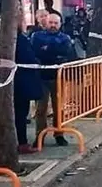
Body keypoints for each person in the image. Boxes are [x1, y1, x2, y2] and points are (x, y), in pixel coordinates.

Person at [31, 13, 76, 146]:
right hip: (41, 76)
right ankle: (40, 136)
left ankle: (59, 134)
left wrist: (48, 50)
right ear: (45, 22)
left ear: (60, 24)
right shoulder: (37, 36)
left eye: (56, 23)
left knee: (59, 108)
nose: (53, 26)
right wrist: (53, 51)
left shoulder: (65, 38)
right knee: (41, 109)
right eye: (51, 22)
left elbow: (67, 53)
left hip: (59, 76)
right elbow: (36, 53)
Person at [14, 18, 43, 155]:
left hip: (16, 81)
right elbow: (29, 58)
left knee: (19, 113)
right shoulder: (21, 40)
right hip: (22, 82)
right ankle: (22, 143)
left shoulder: (12, 40)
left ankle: (21, 141)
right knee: (21, 112)